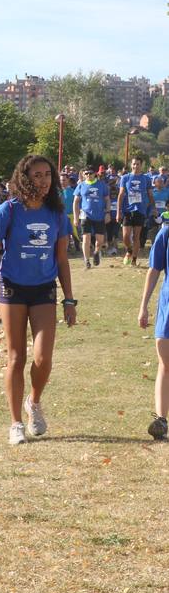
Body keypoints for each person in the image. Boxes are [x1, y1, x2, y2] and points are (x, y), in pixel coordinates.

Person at [0, 155, 76, 446]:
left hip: (44, 289)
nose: (43, 181)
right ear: (24, 178)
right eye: (37, 175)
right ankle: (16, 422)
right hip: (13, 289)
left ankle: (34, 402)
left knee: (43, 358)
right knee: (16, 357)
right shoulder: (7, 211)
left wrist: (70, 300)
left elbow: (62, 259)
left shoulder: (57, 214)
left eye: (47, 175)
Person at [139, 220, 169, 439]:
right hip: (168, 307)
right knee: (166, 364)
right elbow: (154, 270)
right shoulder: (165, 234)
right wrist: (144, 306)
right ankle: (161, 420)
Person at [118, 156, 153, 266]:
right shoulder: (125, 178)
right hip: (127, 210)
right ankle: (129, 250)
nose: (135, 166)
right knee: (125, 236)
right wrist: (118, 211)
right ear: (131, 165)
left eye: (138, 164)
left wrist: (154, 208)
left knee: (136, 236)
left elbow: (150, 195)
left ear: (141, 165)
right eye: (134, 164)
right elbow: (121, 195)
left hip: (140, 210)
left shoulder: (146, 179)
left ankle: (134, 259)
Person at [73, 168, 108, 269]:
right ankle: (87, 260)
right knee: (86, 238)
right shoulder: (81, 185)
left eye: (90, 173)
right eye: (86, 173)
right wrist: (76, 218)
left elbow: (107, 199)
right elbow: (75, 202)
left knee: (99, 240)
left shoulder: (101, 185)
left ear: (95, 174)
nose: (88, 175)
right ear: (83, 175)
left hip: (99, 215)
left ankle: (96, 252)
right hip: (85, 215)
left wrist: (108, 212)